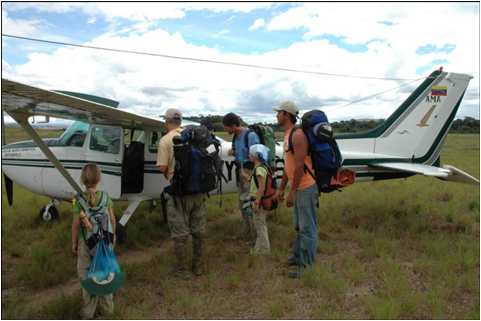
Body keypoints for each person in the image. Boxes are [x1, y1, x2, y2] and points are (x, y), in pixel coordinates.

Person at [157, 108, 207, 278]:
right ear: (180, 121)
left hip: (178, 194)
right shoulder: (195, 137)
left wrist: (171, 178)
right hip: (199, 192)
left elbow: (162, 167)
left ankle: (182, 270)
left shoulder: (165, 140)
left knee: (180, 235)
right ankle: (199, 266)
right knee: (199, 231)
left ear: (167, 121)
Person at [274, 101, 319, 278]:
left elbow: (300, 166)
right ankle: (298, 256)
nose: (276, 115)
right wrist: (282, 188)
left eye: (279, 113)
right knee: (299, 226)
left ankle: (306, 267)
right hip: (297, 187)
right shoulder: (288, 134)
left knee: (307, 227)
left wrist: (292, 192)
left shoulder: (298, 135)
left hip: (305, 187)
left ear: (286, 114)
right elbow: (289, 165)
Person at [72, 163, 116, 319]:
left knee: (86, 275)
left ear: (83, 180)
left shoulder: (78, 200)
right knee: (105, 275)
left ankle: (88, 313)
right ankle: (108, 311)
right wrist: (113, 239)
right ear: (99, 179)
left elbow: (76, 224)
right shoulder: (106, 197)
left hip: (87, 243)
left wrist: (74, 243)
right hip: (104, 242)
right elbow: (111, 218)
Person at [222, 113, 260, 243]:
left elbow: (257, 157)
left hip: (249, 172)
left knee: (250, 204)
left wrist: (250, 175)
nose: (225, 130)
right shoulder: (236, 137)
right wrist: (234, 152)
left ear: (233, 125)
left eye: (226, 127)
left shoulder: (251, 135)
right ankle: (246, 231)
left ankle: (255, 236)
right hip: (241, 172)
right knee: (242, 203)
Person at [247, 144, 272, 255]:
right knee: (259, 225)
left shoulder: (259, 170)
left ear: (256, 156)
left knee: (260, 226)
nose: (249, 155)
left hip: (259, 202)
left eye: (250, 153)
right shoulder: (260, 168)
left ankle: (265, 250)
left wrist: (257, 201)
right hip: (259, 201)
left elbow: (261, 187)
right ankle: (258, 249)